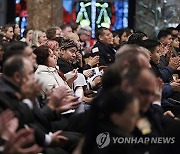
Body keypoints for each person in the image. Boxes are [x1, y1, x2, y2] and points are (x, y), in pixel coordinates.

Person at [82, 88, 139, 154]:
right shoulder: (122, 146)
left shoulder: (93, 136)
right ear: (116, 118)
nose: (137, 118)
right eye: (133, 115)